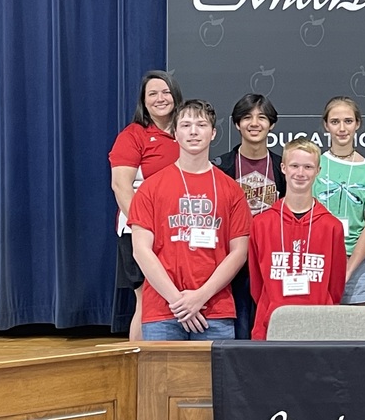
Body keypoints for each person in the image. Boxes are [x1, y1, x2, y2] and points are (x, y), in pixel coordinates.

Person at [128, 99, 252, 340]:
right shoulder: (151, 187)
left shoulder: (231, 189)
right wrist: (179, 301)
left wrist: (200, 297)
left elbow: (239, 252)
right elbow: (141, 250)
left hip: (214, 310)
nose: (193, 132)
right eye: (185, 125)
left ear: (213, 133)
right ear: (175, 133)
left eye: (201, 125)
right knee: (161, 380)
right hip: (163, 310)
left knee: (213, 379)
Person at [108, 70, 183, 341]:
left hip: (179, 232)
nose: (160, 98)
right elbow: (121, 186)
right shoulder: (133, 135)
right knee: (147, 301)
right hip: (140, 234)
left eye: (165, 91)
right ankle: (138, 371)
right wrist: (143, 227)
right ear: (143, 100)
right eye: (152, 93)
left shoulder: (186, 133)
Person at [249, 138, 347, 339]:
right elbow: (257, 283)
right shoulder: (261, 223)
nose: (301, 173)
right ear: (283, 167)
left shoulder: (332, 226)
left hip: (320, 327)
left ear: (318, 171)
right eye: (294, 166)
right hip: (272, 326)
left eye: (308, 167)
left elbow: (336, 286)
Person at [212, 93, 286, 339]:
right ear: (236, 124)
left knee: (270, 326)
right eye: (247, 117)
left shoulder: (283, 167)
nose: (254, 123)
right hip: (232, 260)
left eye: (262, 117)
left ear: (272, 124)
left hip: (271, 258)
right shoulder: (221, 167)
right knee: (239, 329)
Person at [313, 97, 365, 304]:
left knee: (358, 333)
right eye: (335, 121)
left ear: (357, 124)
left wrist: (348, 270)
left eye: (348, 121)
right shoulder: (313, 165)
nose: (342, 128)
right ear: (326, 125)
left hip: (359, 265)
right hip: (318, 261)